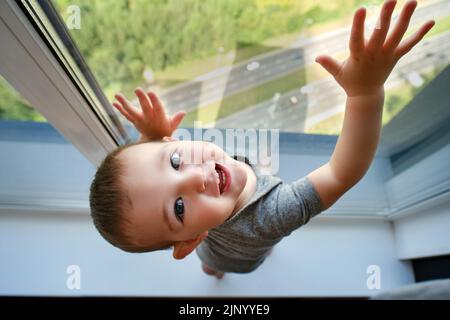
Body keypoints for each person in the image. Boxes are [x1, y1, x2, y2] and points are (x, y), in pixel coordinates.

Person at [89, 0, 434, 279]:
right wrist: (365, 95)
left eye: (175, 159)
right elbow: (342, 173)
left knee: (210, 262)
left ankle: (209, 266)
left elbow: (156, 175)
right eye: (179, 207)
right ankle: (216, 269)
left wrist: (151, 135)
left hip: (210, 247)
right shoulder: (273, 214)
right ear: (189, 240)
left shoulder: (199, 218)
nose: (195, 177)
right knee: (242, 257)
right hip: (242, 260)